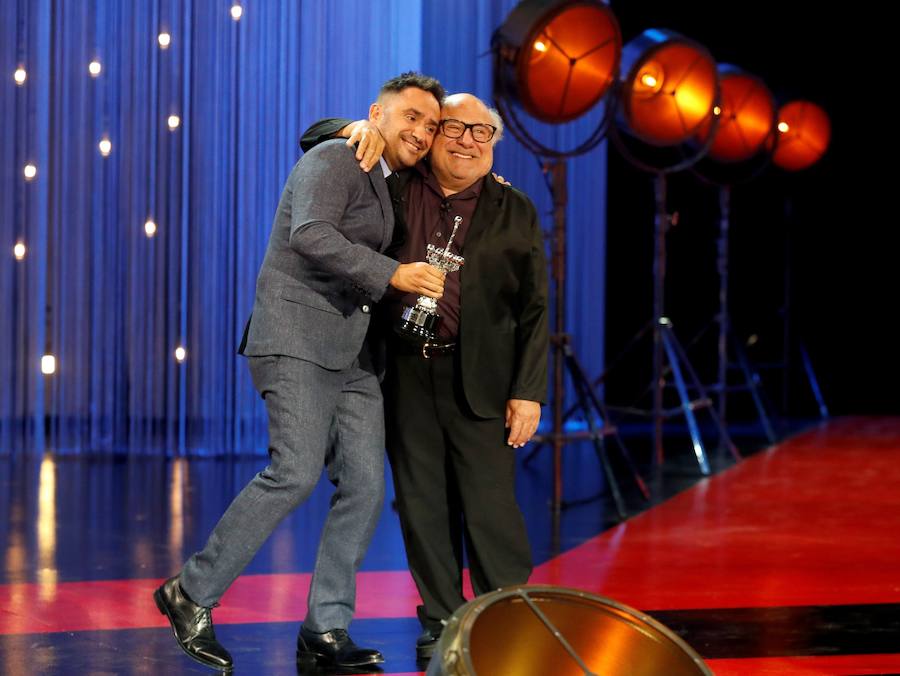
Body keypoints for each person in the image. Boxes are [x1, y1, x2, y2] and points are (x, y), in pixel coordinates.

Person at [153, 72, 447, 673]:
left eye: (431, 124)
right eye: (411, 117)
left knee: (365, 487)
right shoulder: (342, 156)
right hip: (296, 338)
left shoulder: (392, 178)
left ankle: (326, 631)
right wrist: (392, 274)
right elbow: (308, 233)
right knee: (293, 471)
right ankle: (190, 592)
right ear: (377, 113)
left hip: (355, 353)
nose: (421, 131)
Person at [301, 93, 549, 664]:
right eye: (454, 127)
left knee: (490, 509)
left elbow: (536, 309)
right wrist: (353, 127)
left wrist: (528, 392)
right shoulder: (395, 183)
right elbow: (313, 138)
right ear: (434, 136)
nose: (467, 140)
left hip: (483, 380)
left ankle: (507, 614)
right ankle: (442, 619)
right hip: (405, 373)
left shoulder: (516, 210)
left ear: (495, 144)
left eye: (482, 132)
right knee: (421, 505)